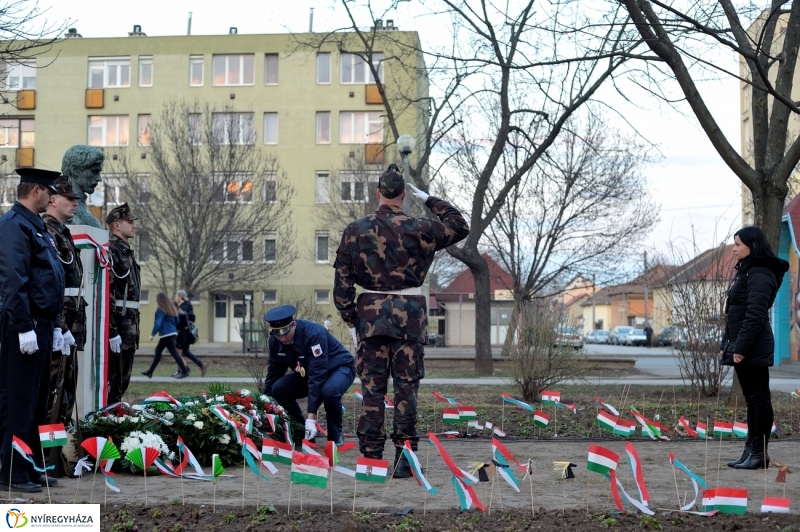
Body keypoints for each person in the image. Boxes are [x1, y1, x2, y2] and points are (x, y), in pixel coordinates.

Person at [333, 167, 469, 477]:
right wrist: (430, 200)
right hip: (409, 317)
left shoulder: (356, 229)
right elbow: (459, 226)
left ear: (378, 193)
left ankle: (371, 460)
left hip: (371, 318)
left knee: (372, 390)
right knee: (407, 391)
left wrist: (352, 319)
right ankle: (405, 460)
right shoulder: (421, 227)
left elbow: (342, 283)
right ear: (404, 196)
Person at [0, 168, 65, 493]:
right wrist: (24, 326)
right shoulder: (14, 226)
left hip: (40, 326)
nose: (52, 198)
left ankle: (29, 466)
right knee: (19, 401)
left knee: (37, 401)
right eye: (49, 192)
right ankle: (12, 471)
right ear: (36, 190)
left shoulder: (36, 227)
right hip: (22, 329)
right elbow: (14, 280)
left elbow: (50, 280)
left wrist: (53, 326)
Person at [722, 226, 788, 470]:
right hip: (743, 343)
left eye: (738, 244)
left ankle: (759, 453)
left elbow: (755, 315)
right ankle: (751, 452)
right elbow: (735, 313)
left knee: (759, 399)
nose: (734, 248)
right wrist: (726, 345)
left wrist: (740, 348)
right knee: (752, 400)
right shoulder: (747, 272)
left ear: (752, 245)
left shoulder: (760, 273)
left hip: (753, 345)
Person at [263, 305, 355, 450]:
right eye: (278, 334)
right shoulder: (275, 341)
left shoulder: (313, 334)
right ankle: (301, 430)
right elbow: (274, 372)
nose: (283, 338)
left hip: (339, 368)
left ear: (294, 325)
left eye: (286, 332)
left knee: (329, 391)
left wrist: (311, 418)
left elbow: (317, 377)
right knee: (278, 388)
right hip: (309, 372)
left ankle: (335, 436)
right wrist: (264, 403)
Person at [42, 180, 85, 475]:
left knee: (64, 396)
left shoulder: (64, 233)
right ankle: (46, 459)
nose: (75, 203)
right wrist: (59, 327)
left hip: (70, 329)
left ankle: (55, 456)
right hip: (58, 329)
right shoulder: (46, 231)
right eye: (69, 198)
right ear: (53, 199)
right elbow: (49, 286)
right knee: (51, 398)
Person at [106, 203, 142, 403]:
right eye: (129, 222)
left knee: (123, 380)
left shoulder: (126, 251)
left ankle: (115, 417)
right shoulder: (113, 250)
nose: (134, 226)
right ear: (117, 226)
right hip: (120, 326)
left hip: (129, 325)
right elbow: (109, 293)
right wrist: (112, 331)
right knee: (114, 380)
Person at [141, 293, 189, 379]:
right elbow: (177, 320)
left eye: (157, 300)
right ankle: (150, 372)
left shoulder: (161, 309)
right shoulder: (171, 308)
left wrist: (152, 334)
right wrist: (171, 327)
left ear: (160, 300)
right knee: (158, 351)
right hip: (170, 333)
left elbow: (158, 323)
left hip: (166, 333)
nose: (156, 301)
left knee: (174, 352)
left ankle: (184, 371)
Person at [175, 290, 207, 376]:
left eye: (176, 296)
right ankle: (200, 365)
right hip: (186, 332)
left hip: (184, 333)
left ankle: (183, 370)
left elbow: (183, 319)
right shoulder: (187, 305)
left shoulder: (184, 307)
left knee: (179, 351)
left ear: (180, 297)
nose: (175, 297)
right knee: (184, 352)